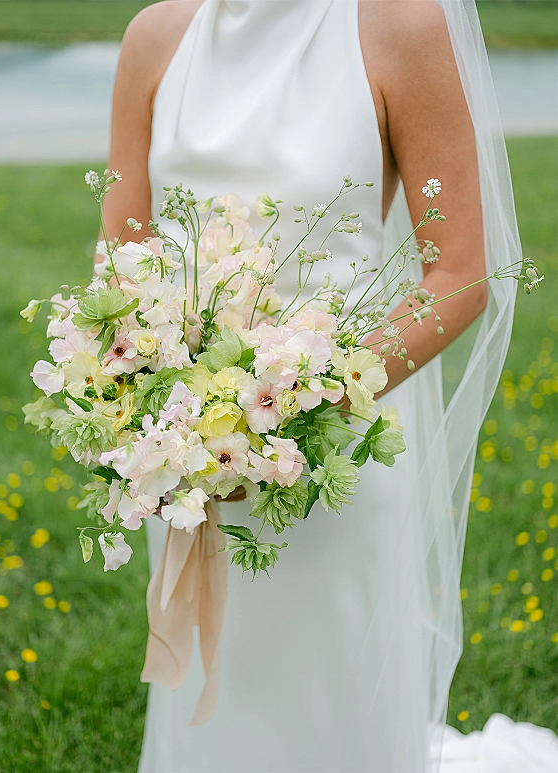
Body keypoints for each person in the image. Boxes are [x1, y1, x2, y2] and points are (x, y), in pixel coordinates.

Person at [100, 1, 522, 771]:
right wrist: (159, 420)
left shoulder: (401, 26)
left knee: (328, 703)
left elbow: (459, 274)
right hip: (188, 458)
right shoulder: (156, 36)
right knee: (211, 698)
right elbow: (121, 256)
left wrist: (284, 414)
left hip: (327, 454)